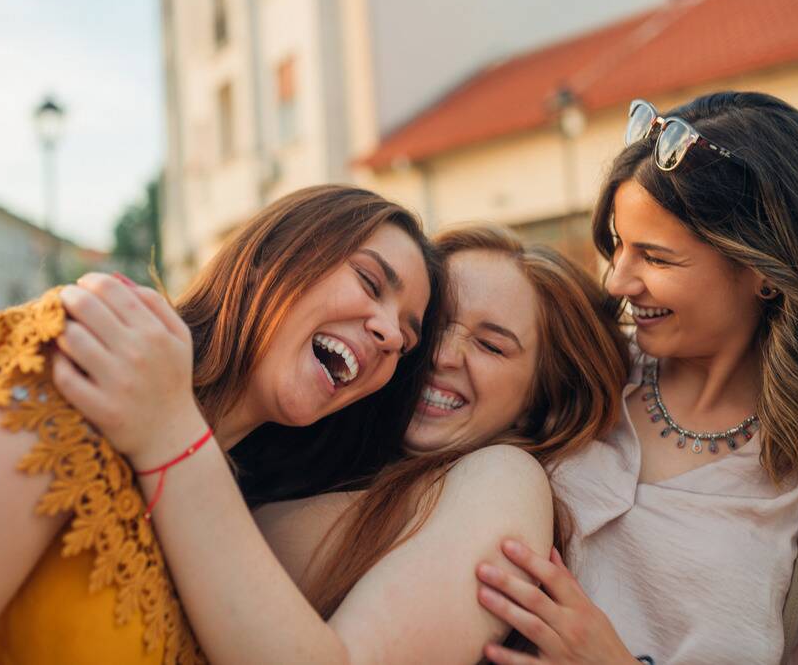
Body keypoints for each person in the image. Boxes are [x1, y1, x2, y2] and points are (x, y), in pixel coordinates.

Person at [0, 185, 444, 664]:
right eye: (368, 281)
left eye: (407, 341)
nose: (390, 334)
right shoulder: (63, 370)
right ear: (268, 260)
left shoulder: (248, 529)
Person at [474, 92, 798, 665]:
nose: (618, 282)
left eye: (658, 259)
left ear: (765, 270)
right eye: (617, 246)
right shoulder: (588, 370)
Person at [53, 224, 630, 663]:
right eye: (430, 327)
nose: (441, 355)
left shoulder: (504, 479)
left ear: (543, 402)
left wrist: (171, 434)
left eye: (492, 345)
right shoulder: (320, 433)